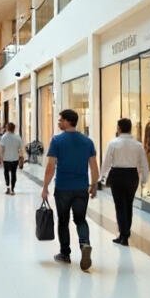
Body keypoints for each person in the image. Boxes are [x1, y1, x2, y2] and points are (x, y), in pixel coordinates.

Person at [42, 109, 99, 271]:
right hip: (81, 188)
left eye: (60, 120)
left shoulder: (57, 141)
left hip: (63, 188)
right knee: (80, 219)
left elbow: (50, 167)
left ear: (68, 121)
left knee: (63, 220)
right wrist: (94, 185)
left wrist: (45, 187)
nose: (59, 122)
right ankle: (85, 244)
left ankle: (65, 253)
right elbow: (94, 166)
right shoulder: (87, 142)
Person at [100, 118, 150, 246]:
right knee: (129, 204)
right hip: (132, 175)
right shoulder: (138, 145)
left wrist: (101, 177)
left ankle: (123, 234)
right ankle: (125, 232)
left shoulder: (113, 143)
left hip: (117, 175)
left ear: (119, 128)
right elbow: (144, 163)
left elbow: (106, 162)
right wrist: (145, 179)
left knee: (119, 205)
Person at [0, 122, 24, 195]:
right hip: (15, 159)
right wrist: (21, 159)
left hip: (6, 159)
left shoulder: (4, 137)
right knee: (14, 173)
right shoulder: (18, 137)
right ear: (14, 129)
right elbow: (21, 150)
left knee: (6, 173)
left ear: (7, 128)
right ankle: (12, 189)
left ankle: (8, 187)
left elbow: (1, 150)